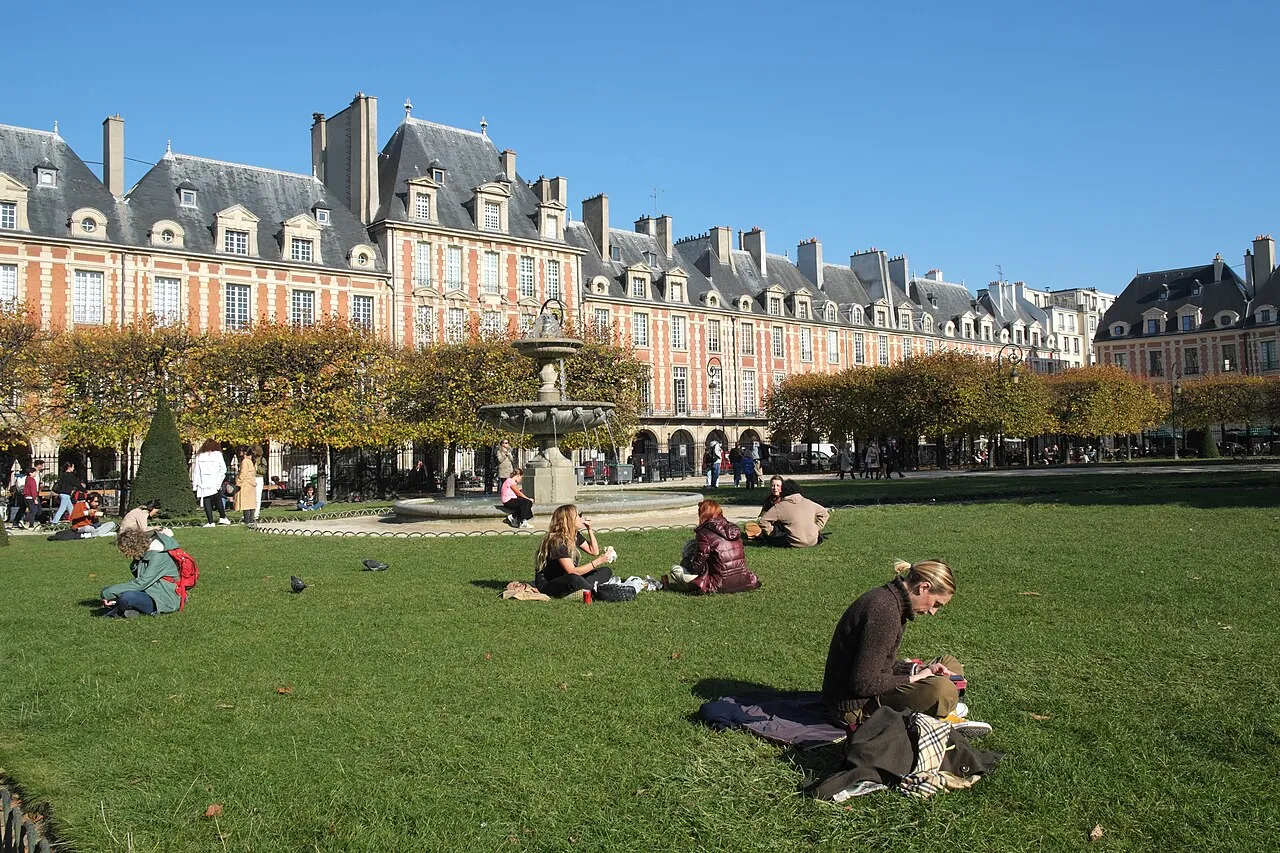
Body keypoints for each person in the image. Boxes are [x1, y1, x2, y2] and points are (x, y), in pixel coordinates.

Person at [821, 559, 966, 729]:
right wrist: (915, 678)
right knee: (942, 690)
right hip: (854, 708)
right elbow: (862, 684)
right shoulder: (885, 612)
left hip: (866, 689)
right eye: (936, 604)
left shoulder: (890, 601)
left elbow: (879, 665)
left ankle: (942, 709)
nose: (933, 612)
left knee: (949, 663)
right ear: (924, 587)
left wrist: (917, 669)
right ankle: (940, 715)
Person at [666, 500, 761, 595]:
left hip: (718, 584)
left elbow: (697, 566)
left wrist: (687, 563)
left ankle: (689, 586)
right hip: (743, 580)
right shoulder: (733, 529)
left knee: (675, 570)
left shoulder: (704, 533)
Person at [534, 504, 616, 598]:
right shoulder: (558, 542)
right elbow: (572, 571)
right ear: (569, 521)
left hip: (568, 577)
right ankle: (592, 591)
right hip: (549, 584)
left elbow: (594, 551)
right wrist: (599, 561)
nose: (582, 518)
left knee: (606, 571)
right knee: (574, 578)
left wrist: (589, 529)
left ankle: (587, 588)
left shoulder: (574, 535)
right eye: (578, 516)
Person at [100, 529, 183, 618]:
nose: (126, 554)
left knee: (126, 597)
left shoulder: (158, 556)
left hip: (165, 598)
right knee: (118, 593)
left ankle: (114, 611)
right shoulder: (144, 554)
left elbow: (141, 583)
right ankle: (128, 610)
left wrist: (107, 593)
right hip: (150, 592)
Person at [754, 479, 829, 548]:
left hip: (793, 542)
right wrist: (817, 527)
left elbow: (763, 521)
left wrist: (771, 532)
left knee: (768, 535)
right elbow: (824, 513)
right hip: (813, 541)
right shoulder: (809, 502)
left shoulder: (780, 506)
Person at [191, 439, 230, 527]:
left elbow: (196, 471)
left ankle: (210, 521)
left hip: (203, 481)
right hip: (215, 480)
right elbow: (223, 469)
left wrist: (195, 485)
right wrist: (219, 480)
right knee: (218, 499)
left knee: (207, 500)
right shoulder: (218, 455)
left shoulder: (200, 456)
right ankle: (223, 517)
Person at [234, 446, 258, 524]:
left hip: (245, 484)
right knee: (251, 505)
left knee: (246, 505)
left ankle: (247, 522)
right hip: (251, 484)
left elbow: (243, 474)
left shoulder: (245, 462)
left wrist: (238, 482)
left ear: (244, 452)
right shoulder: (252, 461)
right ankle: (251, 521)